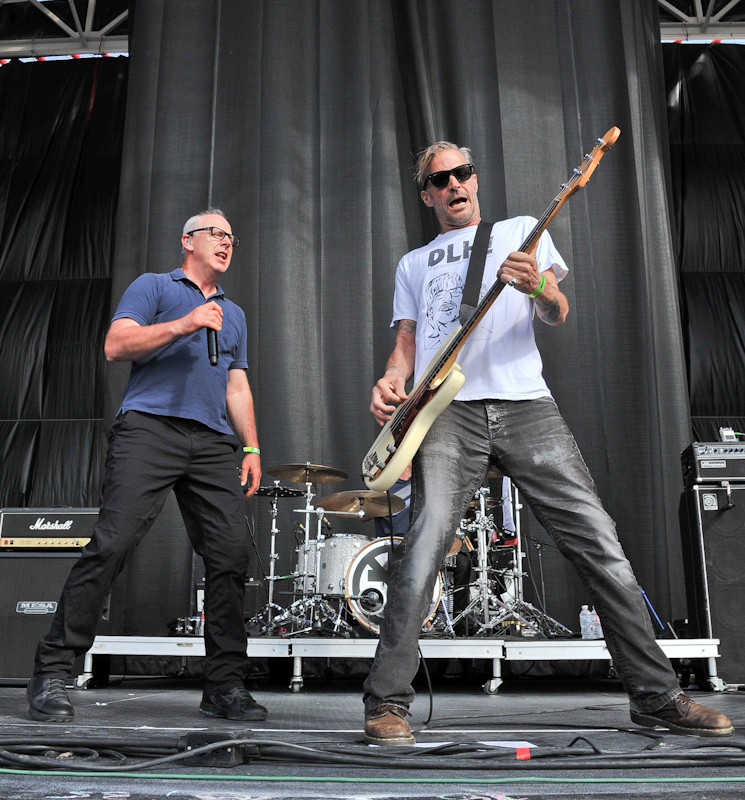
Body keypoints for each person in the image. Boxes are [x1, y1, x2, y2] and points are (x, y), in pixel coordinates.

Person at [362, 142, 734, 746]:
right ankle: (386, 704)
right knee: (422, 550)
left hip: (526, 406)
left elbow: (558, 312)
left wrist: (536, 286)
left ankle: (657, 695)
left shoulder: (519, 232)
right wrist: (391, 381)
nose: (456, 183)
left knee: (598, 542)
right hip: (445, 413)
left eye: (464, 172)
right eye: (441, 179)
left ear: (475, 180)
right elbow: (407, 342)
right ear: (427, 194)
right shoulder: (414, 263)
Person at [27, 209, 268, 723]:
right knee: (112, 544)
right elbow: (117, 345)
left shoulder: (235, 314)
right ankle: (52, 671)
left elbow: (236, 385)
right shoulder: (154, 287)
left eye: (232, 236)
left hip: (210, 441)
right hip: (149, 429)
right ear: (188, 241)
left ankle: (224, 686)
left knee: (230, 555)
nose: (226, 243)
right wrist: (186, 322)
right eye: (217, 234)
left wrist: (251, 447)